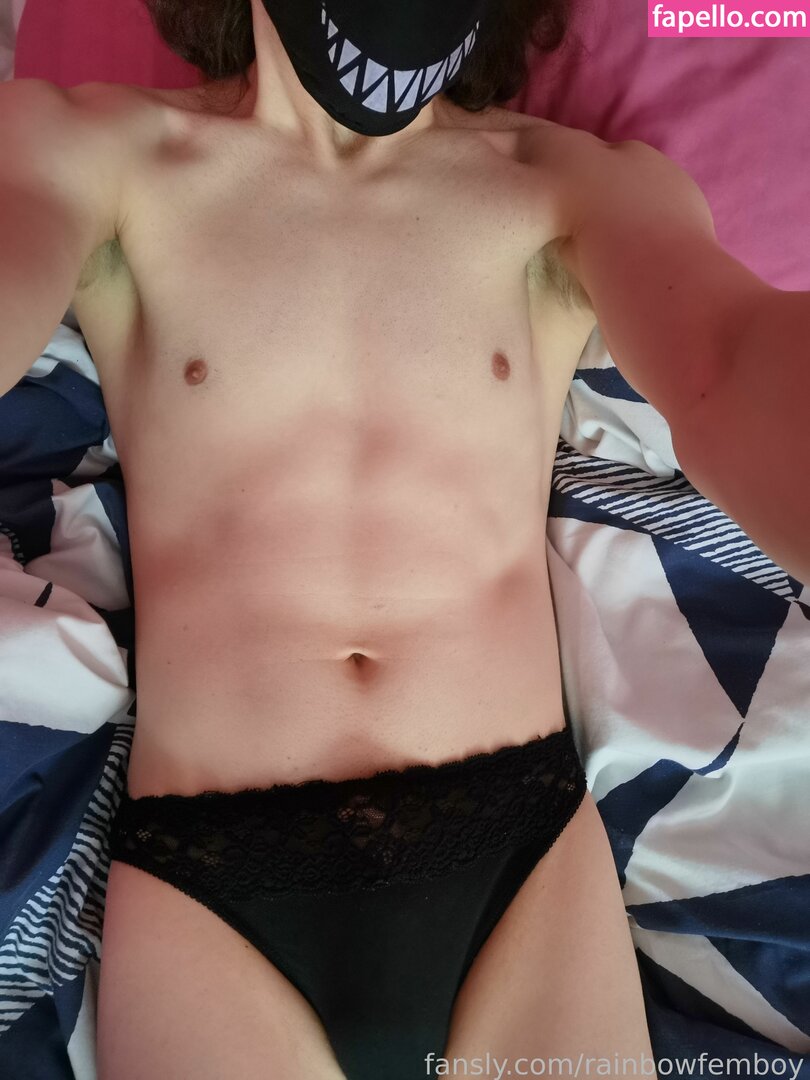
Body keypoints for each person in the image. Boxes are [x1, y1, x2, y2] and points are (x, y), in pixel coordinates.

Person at [0, 1, 804, 1077]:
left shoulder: (565, 184)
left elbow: (727, 355)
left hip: (520, 858)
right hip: (212, 885)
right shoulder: (106, 153)